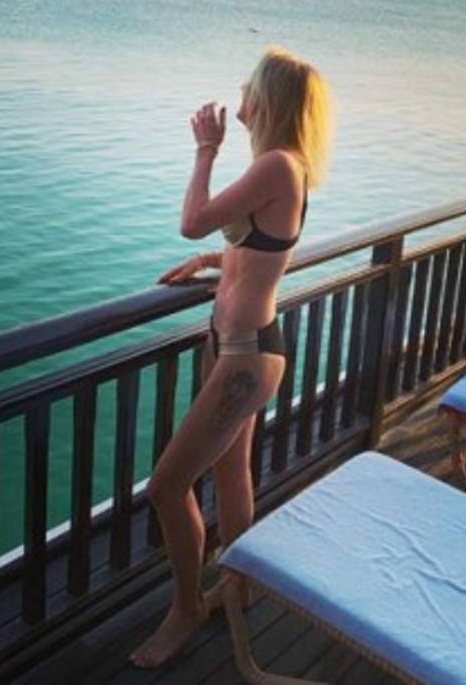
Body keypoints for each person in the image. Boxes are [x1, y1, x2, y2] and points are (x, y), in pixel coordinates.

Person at [130, 48, 332, 668]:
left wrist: (204, 149)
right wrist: (211, 262)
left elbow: (192, 220)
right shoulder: (283, 168)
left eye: (249, 82)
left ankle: (187, 607)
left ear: (267, 98)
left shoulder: (277, 165)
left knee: (167, 487)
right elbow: (260, 250)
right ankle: (237, 588)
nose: (239, 88)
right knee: (230, 473)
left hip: (246, 356)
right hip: (233, 348)